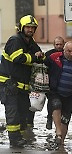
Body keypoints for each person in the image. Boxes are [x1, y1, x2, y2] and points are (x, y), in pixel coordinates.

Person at [0, 15, 44, 148]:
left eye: (32, 27)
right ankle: (14, 141)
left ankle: (22, 137)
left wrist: (39, 56)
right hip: (9, 84)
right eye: (28, 27)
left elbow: (41, 55)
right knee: (13, 113)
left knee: (22, 112)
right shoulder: (15, 40)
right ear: (21, 28)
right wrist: (34, 57)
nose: (30, 30)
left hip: (22, 86)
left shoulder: (30, 42)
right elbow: (18, 58)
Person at [44, 41, 72, 145]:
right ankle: (58, 132)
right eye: (69, 51)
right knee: (56, 105)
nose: (71, 54)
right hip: (55, 91)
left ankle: (61, 143)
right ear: (64, 50)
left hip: (69, 95)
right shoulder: (55, 57)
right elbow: (42, 66)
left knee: (65, 119)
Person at [45, 36, 65, 130]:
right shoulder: (49, 55)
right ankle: (49, 118)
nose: (59, 46)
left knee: (62, 104)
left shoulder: (67, 54)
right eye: (57, 44)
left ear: (63, 45)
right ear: (54, 45)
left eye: (60, 44)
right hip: (51, 84)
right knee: (52, 102)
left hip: (63, 84)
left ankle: (60, 123)